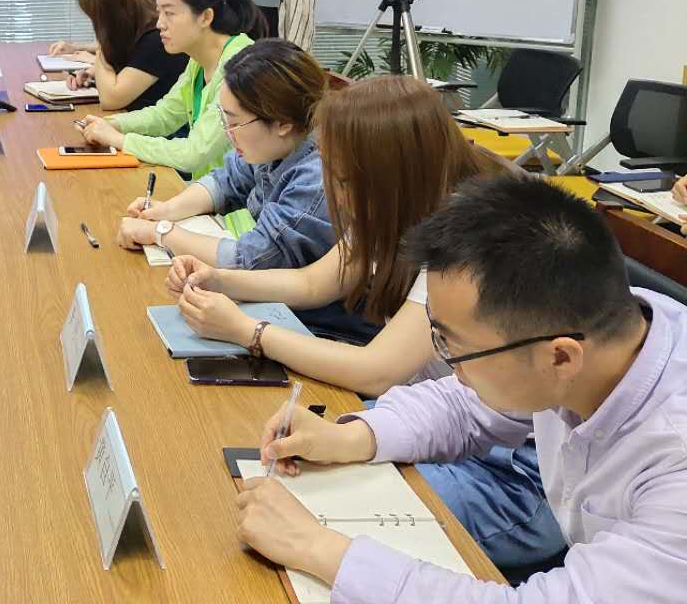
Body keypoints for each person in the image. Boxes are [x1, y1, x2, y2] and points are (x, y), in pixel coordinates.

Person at [167, 76, 564, 571]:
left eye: (340, 179)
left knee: (304, 509)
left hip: (513, 475)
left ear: (388, 174)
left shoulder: (471, 243)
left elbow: (378, 371)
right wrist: (223, 280)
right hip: (441, 422)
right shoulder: (395, 203)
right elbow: (315, 282)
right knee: (275, 466)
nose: (332, 192)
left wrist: (250, 333)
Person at [236, 176, 687, 601]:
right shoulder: (597, 335)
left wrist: (316, 548)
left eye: (454, 346)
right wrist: (350, 436)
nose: (449, 363)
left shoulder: (674, 458)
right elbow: (466, 404)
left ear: (561, 358)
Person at [115, 40, 370, 343]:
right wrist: (165, 210)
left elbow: (252, 259)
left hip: (322, 328)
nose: (227, 133)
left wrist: (161, 232)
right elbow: (226, 180)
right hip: (278, 305)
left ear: (282, 123)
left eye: (234, 122)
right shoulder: (276, 144)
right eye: (223, 118)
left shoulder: (317, 176)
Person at [77, 0, 263, 185]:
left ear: (205, 17)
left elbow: (192, 154)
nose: (159, 24)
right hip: (208, 191)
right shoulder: (198, 61)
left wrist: (119, 139)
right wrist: (110, 123)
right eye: (159, 13)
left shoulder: (240, 64)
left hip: (239, 202)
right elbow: (164, 115)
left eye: (169, 13)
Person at [62, 0, 185, 112]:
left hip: (156, 124)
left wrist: (102, 45)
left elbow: (110, 100)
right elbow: (124, 68)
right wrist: (91, 75)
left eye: (95, 18)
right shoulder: (135, 29)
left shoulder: (156, 39)